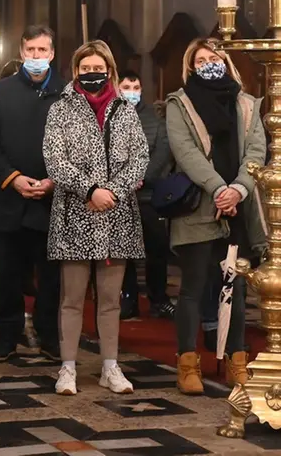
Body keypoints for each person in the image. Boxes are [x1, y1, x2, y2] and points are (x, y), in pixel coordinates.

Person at [43, 40, 148, 396]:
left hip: (116, 215)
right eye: (85, 69)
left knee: (110, 298)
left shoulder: (125, 109)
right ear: (76, 71)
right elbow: (55, 160)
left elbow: (139, 158)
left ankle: (110, 367)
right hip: (76, 214)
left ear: (109, 70)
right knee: (72, 298)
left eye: (98, 69)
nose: (92, 74)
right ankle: (68, 367)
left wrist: (112, 193)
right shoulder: (60, 110)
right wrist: (90, 191)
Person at [166, 38, 267, 395]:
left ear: (224, 61)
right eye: (202, 59)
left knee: (236, 289)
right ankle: (188, 363)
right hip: (199, 206)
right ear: (191, 66)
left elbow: (256, 150)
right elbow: (185, 151)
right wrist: (218, 190)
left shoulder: (246, 103)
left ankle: (237, 361)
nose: (209, 63)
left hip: (237, 207)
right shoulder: (180, 102)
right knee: (192, 288)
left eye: (215, 57)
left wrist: (238, 189)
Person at [0, 25, 65, 363]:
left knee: (51, 276)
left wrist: (54, 180)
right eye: (30, 50)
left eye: (43, 51)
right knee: (8, 275)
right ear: (21, 51)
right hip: (10, 198)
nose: (36, 57)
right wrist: (13, 178)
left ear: (52, 53)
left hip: (53, 198)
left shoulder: (65, 93)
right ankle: (8, 335)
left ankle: (47, 336)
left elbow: (78, 145)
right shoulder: (0, 93)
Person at [117, 70, 175, 320]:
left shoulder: (153, 117)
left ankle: (158, 297)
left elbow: (163, 150)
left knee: (157, 248)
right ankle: (128, 299)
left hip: (148, 195)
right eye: (127, 86)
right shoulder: (111, 115)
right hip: (119, 195)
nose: (132, 91)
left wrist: (143, 177)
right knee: (124, 251)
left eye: (136, 86)